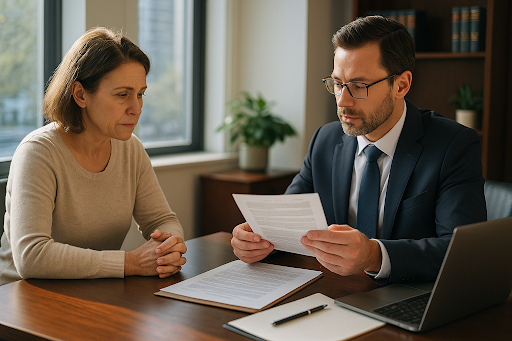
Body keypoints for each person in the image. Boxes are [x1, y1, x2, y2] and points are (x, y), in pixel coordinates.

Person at [231, 16, 486, 285]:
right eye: (338, 83)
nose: (343, 101)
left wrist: (374, 256)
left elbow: (462, 253)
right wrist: (256, 238)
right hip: (335, 295)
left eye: (359, 86)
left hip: (410, 298)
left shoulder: (453, 145)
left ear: (401, 85)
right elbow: (286, 222)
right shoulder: (325, 140)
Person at [0, 27, 187, 286]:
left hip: (91, 291)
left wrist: (169, 246)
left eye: (140, 94)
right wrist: (129, 262)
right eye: (123, 95)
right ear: (80, 94)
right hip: (20, 302)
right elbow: (31, 255)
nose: (136, 108)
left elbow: (162, 220)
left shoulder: (131, 149)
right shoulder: (38, 152)